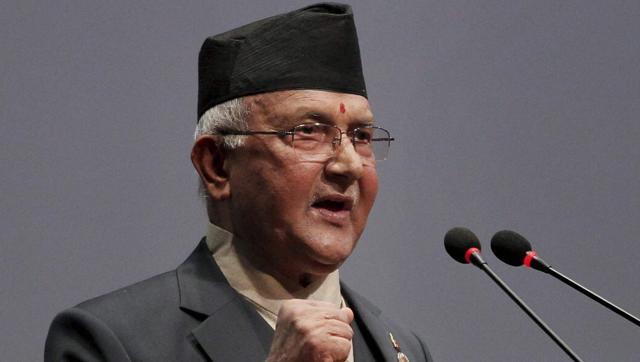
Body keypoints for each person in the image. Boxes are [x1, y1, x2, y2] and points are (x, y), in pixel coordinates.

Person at [45, 3, 433, 361]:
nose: (348, 165)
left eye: (362, 136)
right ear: (216, 165)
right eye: (308, 131)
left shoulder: (401, 347)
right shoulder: (112, 341)